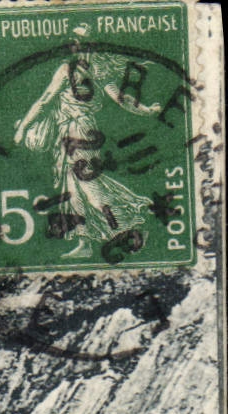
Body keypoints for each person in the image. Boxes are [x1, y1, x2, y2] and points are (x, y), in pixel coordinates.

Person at [12, 25, 164, 259]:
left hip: (79, 133)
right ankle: (85, 242)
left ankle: (127, 226)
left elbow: (45, 100)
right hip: (71, 133)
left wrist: (23, 127)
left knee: (90, 188)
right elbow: (121, 99)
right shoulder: (88, 70)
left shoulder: (77, 70)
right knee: (72, 190)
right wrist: (146, 109)